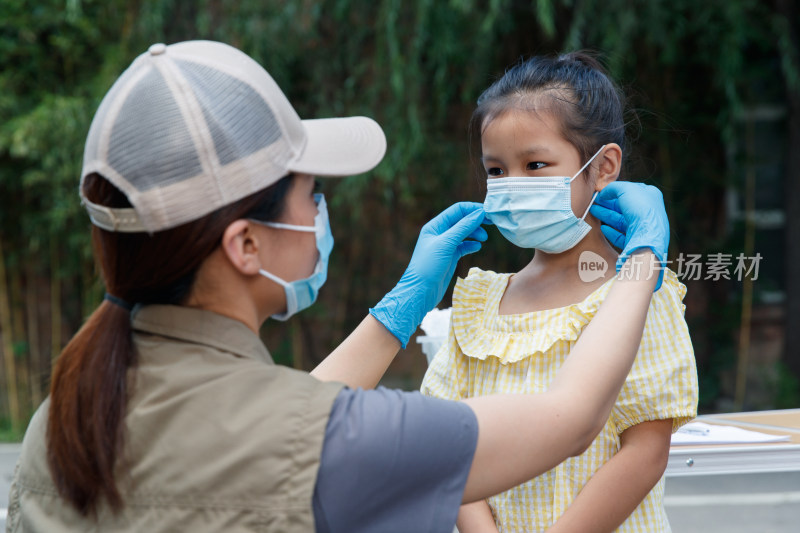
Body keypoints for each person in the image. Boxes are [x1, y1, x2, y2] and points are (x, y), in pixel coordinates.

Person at [7, 41, 669, 533]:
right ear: (246, 244)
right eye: (310, 192)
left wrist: (399, 306)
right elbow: (572, 418)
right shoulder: (325, 438)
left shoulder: (63, 418)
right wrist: (641, 262)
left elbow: (284, 418)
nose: (321, 214)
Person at [421, 52, 699, 533]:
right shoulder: (478, 303)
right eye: (497, 170)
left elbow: (646, 452)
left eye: (535, 164)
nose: (512, 186)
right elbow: (446, 445)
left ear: (603, 166)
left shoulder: (638, 294)